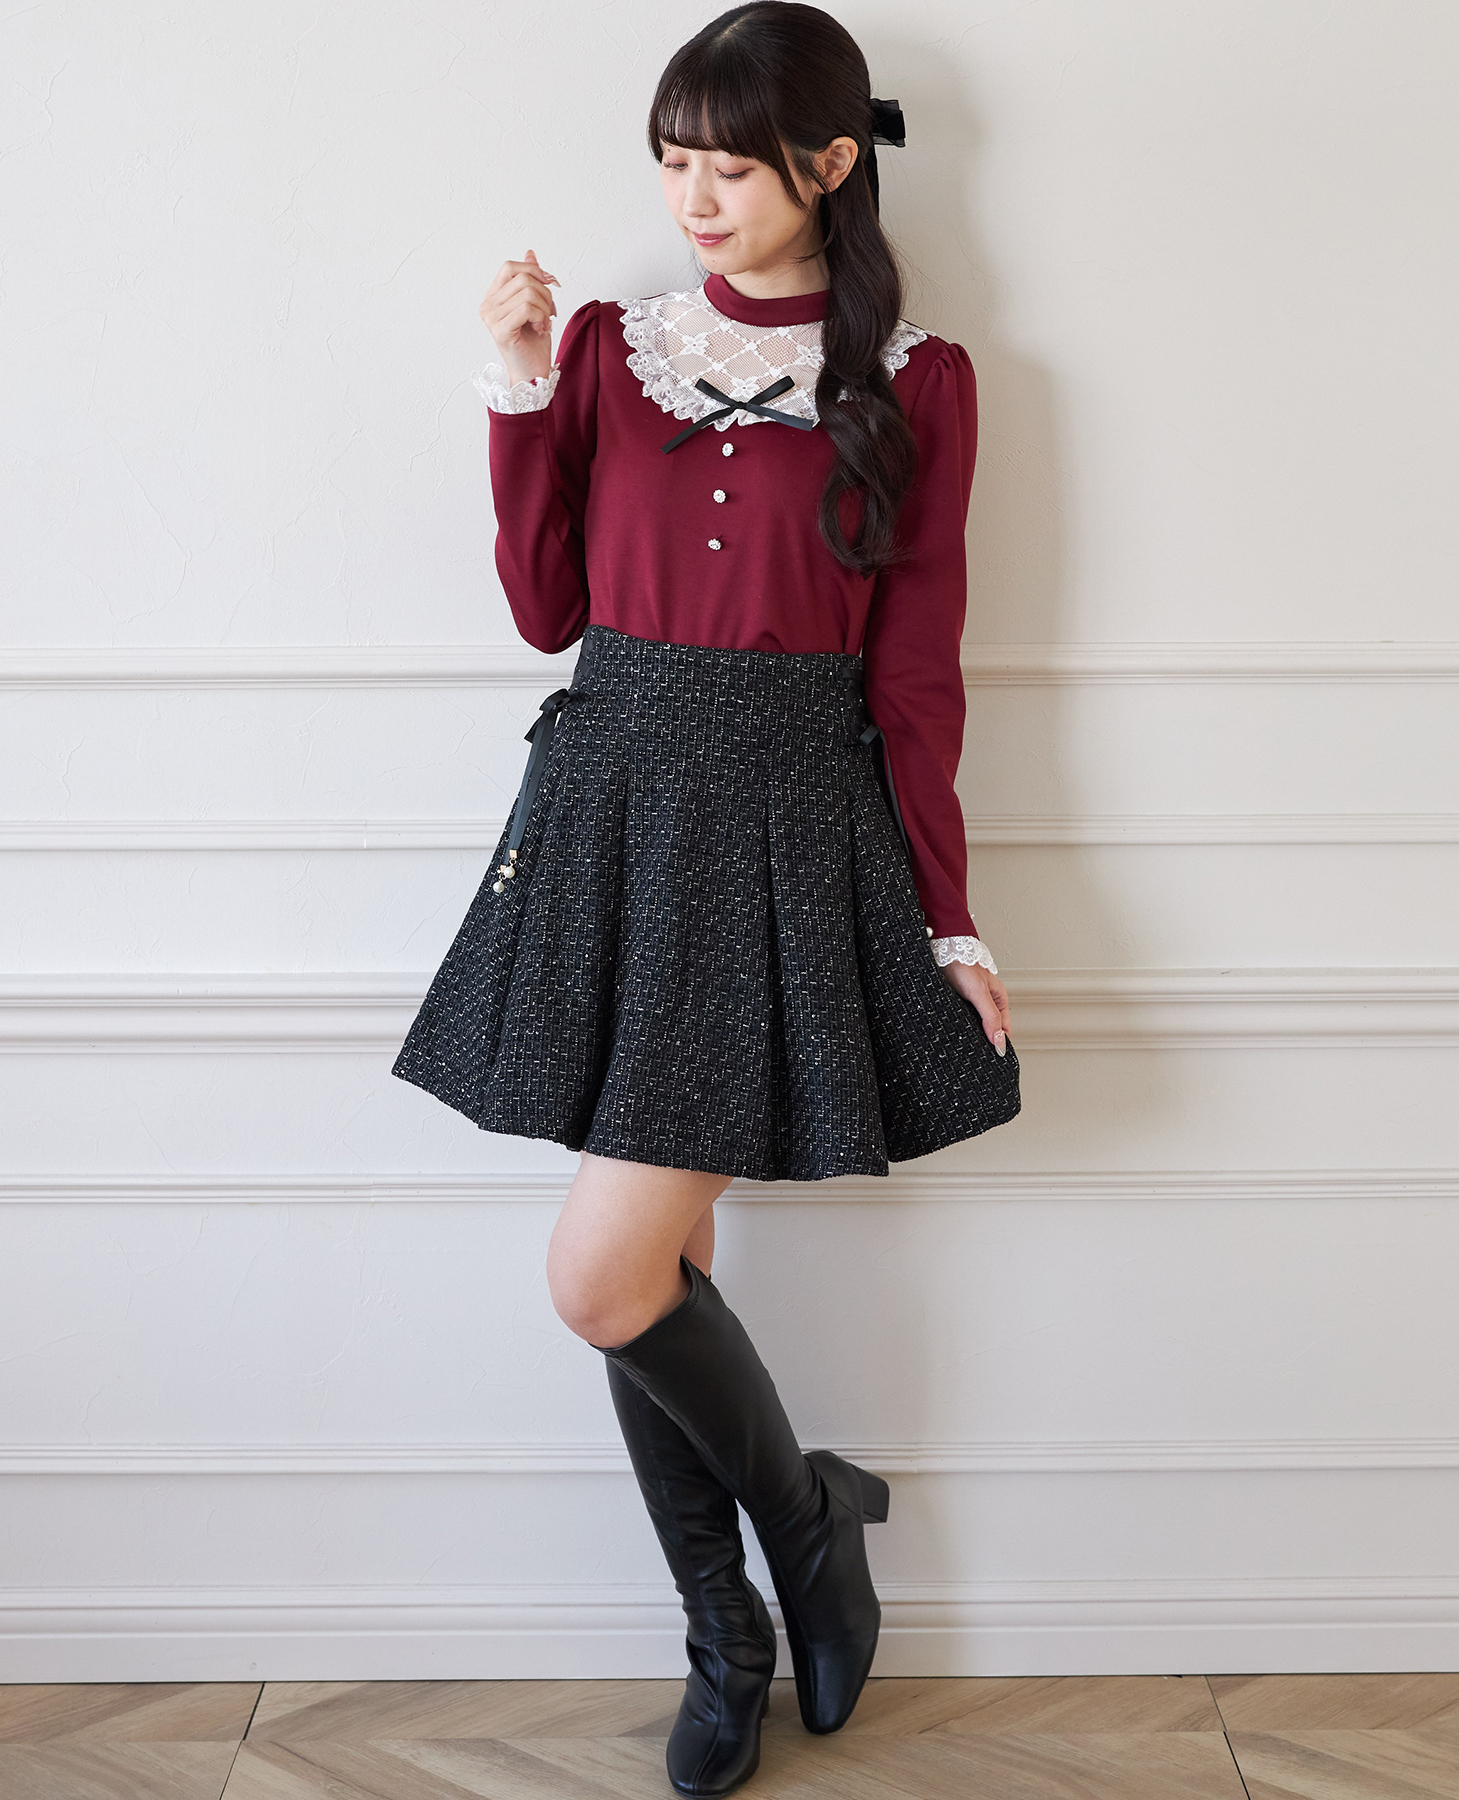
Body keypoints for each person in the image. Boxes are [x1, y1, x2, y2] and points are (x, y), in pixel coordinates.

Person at [393, 5, 1021, 1793]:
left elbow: (918, 676)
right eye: (672, 162)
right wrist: (519, 379)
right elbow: (546, 607)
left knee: (603, 1275)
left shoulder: (922, 381)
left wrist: (950, 920)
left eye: (729, 166)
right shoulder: (613, 346)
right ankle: (736, 1620)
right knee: (648, 1269)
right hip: (611, 807)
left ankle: (804, 1533)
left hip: (790, 827)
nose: (693, 198)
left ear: (829, 163)